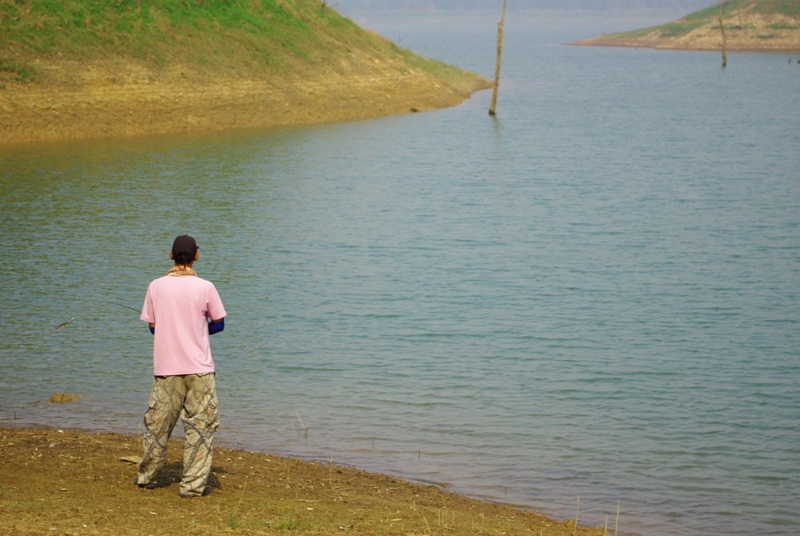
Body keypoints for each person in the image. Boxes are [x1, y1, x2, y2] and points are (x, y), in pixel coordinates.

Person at [136, 235, 227, 497]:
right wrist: (198, 330)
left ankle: (147, 477)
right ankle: (192, 487)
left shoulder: (155, 286)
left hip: (166, 369)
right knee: (200, 428)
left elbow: (153, 328)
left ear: (170, 255)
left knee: (158, 427)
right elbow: (219, 323)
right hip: (200, 370)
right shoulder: (206, 287)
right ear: (196, 256)